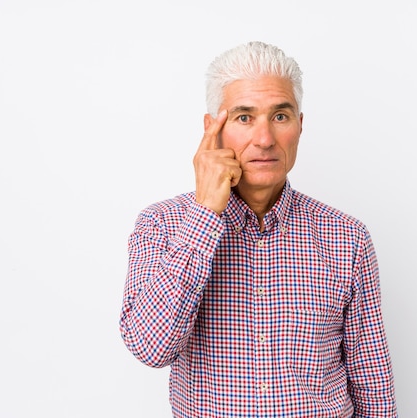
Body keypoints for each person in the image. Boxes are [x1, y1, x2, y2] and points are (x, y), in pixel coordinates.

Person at [119, 41, 397, 417]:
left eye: (280, 116)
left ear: (300, 125)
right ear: (212, 129)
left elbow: (371, 380)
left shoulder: (347, 237)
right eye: (244, 118)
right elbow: (151, 347)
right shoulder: (162, 224)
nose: (265, 139)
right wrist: (205, 214)